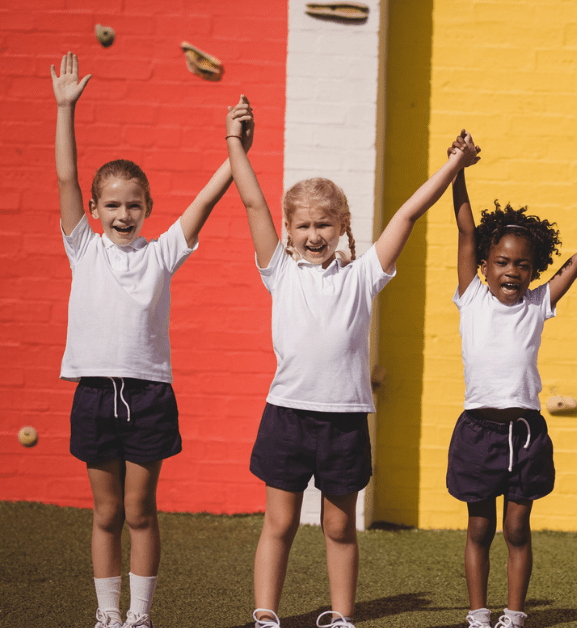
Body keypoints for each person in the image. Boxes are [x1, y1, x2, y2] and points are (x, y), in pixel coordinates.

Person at [225, 100, 479, 628]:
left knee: (339, 529)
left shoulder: (363, 275)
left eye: (324, 224)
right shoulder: (280, 271)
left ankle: (341, 617)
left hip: (343, 422)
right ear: (290, 230)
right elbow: (253, 205)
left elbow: (408, 214)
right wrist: (235, 145)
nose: (313, 235)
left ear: (342, 226)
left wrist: (454, 165)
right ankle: (266, 614)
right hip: (286, 416)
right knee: (279, 523)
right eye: (303, 226)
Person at [52, 51, 246, 628]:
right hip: (94, 393)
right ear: (93, 210)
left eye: (134, 204)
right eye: (112, 204)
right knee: (106, 512)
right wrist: (66, 109)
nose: (123, 213)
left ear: (148, 209)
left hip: (148, 397)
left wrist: (237, 147)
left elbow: (207, 202)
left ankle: (140, 615)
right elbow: (66, 174)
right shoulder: (82, 248)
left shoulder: (161, 253)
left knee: (140, 510)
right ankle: (107, 614)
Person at [446, 136, 577, 628]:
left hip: (525, 434)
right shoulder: (470, 297)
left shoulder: (539, 303)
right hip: (478, 432)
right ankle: (479, 614)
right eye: (501, 262)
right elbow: (463, 227)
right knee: (480, 527)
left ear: (534, 269)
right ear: (484, 263)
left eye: (522, 264)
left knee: (516, 527)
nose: (511, 271)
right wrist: (459, 169)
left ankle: (513, 614)